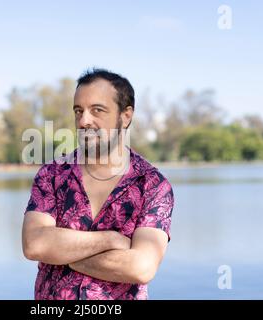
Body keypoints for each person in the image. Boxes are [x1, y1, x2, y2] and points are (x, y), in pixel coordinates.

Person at [22, 68, 174, 300]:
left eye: (97, 110)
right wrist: (111, 240)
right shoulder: (51, 175)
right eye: (78, 110)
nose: (84, 120)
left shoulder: (152, 185)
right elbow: (34, 245)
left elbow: (141, 268)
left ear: (126, 116)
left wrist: (62, 254)